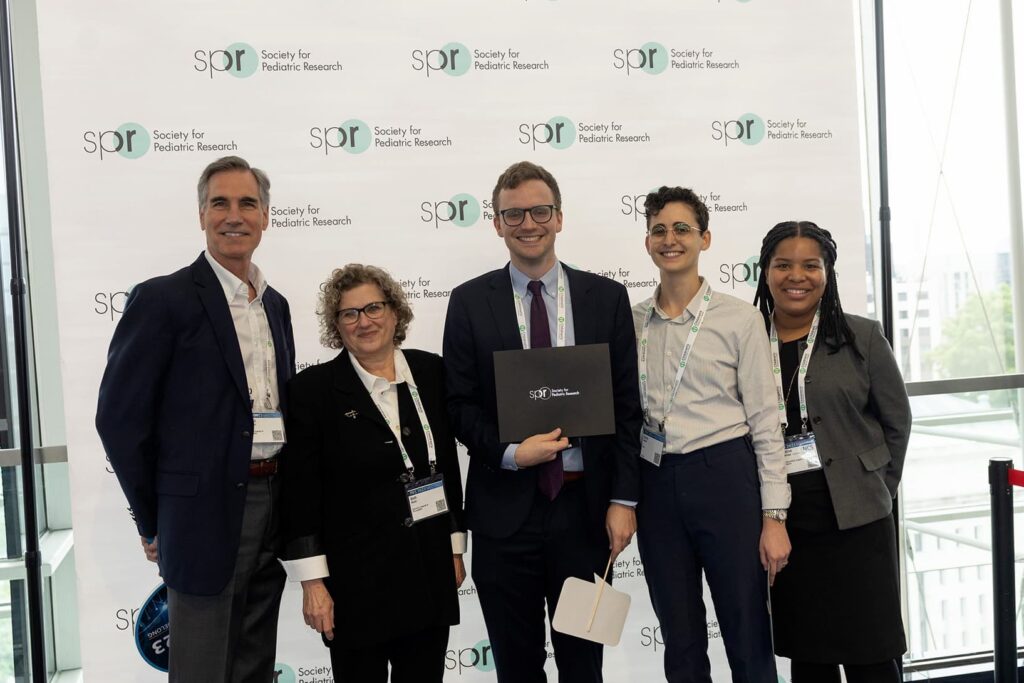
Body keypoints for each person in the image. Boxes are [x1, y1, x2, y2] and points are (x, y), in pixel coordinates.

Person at [95, 156, 294, 682]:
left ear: (266, 216)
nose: (235, 215)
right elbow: (119, 419)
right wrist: (151, 518)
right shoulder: (164, 300)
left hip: (274, 502)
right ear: (201, 214)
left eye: (247, 203)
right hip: (199, 514)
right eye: (220, 203)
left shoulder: (276, 305)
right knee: (202, 668)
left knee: (256, 662)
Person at [442, 160, 641, 682]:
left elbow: (626, 406)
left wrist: (623, 500)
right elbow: (459, 404)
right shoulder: (467, 302)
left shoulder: (606, 298)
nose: (527, 223)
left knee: (583, 665)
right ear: (496, 222)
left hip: (585, 511)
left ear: (559, 218)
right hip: (504, 518)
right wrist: (510, 453)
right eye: (514, 214)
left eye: (539, 211)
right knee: (517, 665)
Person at [633, 186, 790, 683]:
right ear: (647, 243)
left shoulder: (740, 319)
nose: (670, 238)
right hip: (655, 484)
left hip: (724, 477)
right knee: (679, 639)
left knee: (746, 632)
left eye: (681, 229)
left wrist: (774, 515)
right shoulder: (630, 322)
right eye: (659, 229)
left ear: (705, 238)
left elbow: (767, 422)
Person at [280, 264, 466, 682]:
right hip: (354, 586)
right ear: (337, 326)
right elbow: (300, 495)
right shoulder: (313, 391)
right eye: (350, 314)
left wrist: (454, 546)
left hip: (427, 571)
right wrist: (313, 584)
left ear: (395, 313)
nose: (364, 321)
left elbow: (448, 467)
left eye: (374, 308)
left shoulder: (431, 373)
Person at [753, 221, 910, 683]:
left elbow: (896, 421)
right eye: (783, 264)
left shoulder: (861, 337)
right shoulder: (746, 340)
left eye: (810, 265)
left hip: (858, 519)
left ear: (828, 273)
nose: (796, 276)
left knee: (872, 653)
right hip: (786, 523)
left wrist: (877, 486)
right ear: (765, 272)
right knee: (810, 655)